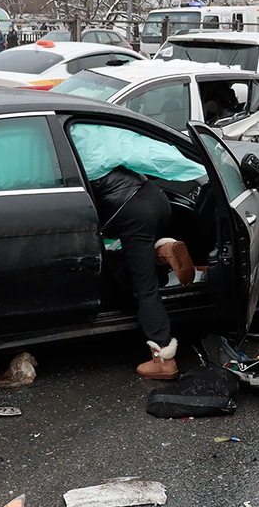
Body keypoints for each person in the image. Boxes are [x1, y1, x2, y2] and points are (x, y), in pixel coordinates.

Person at [69, 123, 204, 380]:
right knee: (128, 255)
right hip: (153, 198)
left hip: (131, 212)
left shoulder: (70, 145)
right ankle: (163, 251)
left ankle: (164, 359)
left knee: (145, 287)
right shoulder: (94, 132)